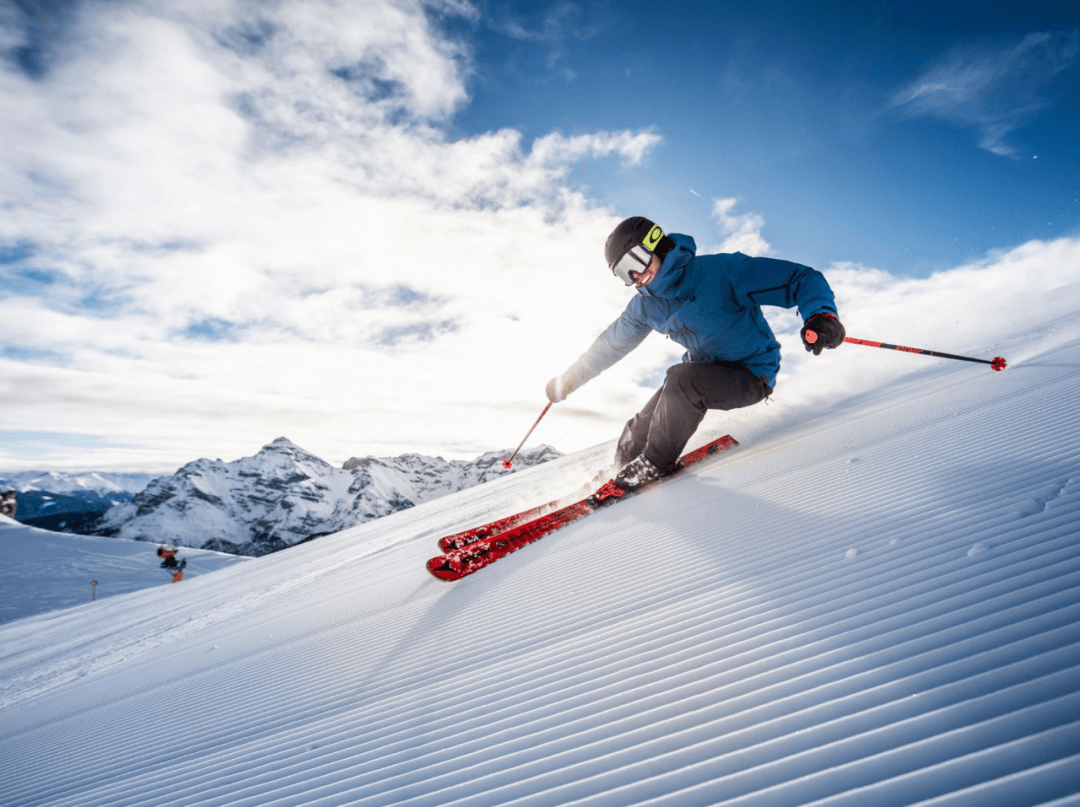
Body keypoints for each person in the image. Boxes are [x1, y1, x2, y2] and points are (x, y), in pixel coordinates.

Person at [546, 215, 845, 490]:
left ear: (656, 244)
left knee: (680, 379)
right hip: (702, 371)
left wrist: (821, 315)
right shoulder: (646, 305)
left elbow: (801, 278)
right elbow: (609, 345)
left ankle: (653, 466)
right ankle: (621, 469)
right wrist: (570, 379)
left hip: (752, 374)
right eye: (625, 273)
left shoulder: (722, 273)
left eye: (635, 262)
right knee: (637, 431)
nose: (637, 276)